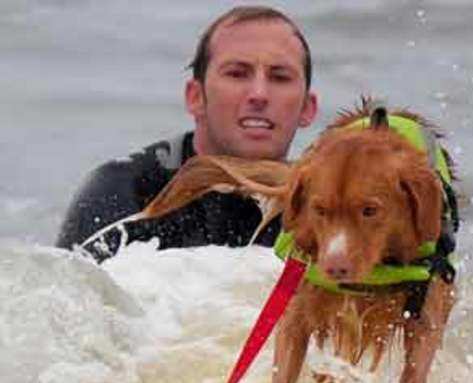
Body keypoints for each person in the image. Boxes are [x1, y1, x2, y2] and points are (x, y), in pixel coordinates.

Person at [56, 6, 318, 261]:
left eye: (280, 77)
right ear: (195, 97)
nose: (259, 94)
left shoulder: (323, 206)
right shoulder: (125, 192)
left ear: (307, 108)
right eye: (237, 74)